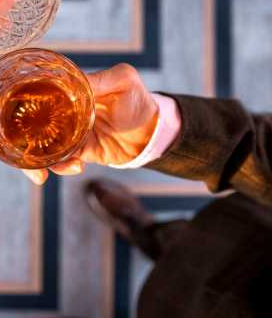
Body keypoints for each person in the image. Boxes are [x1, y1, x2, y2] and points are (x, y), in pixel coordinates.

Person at [25, 63, 271, 317]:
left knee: (173, 286)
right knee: (192, 240)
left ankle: (152, 235)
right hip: (253, 229)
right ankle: (148, 231)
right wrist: (153, 132)